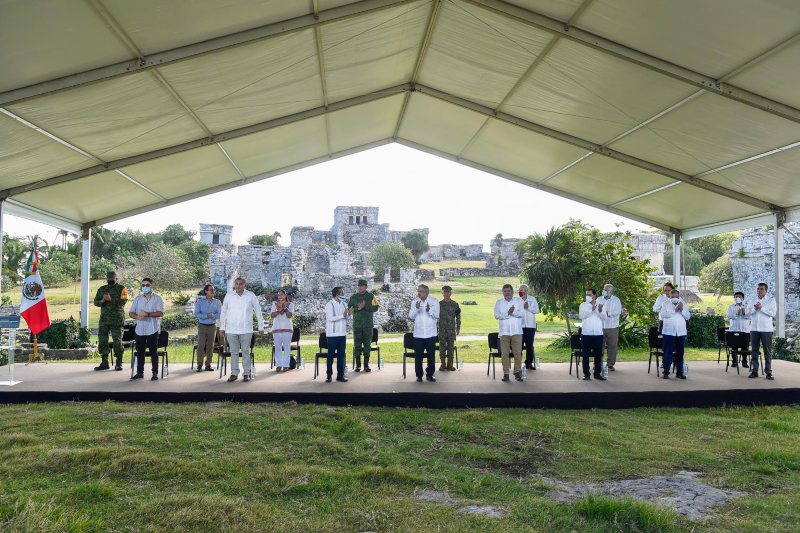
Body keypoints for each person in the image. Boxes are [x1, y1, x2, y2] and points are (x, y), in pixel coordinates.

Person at [219, 277, 265, 383]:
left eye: (241, 284)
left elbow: (258, 310)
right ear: (234, 285)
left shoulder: (250, 295)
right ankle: (234, 373)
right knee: (234, 352)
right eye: (237, 284)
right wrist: (222, 327)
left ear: (244, 285)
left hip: (246, 329)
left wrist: (261, 327)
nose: (239, 286)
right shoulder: (229, 295)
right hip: (231, 329)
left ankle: (246, 374)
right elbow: (223, 312)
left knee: (245, 352)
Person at [128, 278, 164, 381]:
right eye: (143, 285)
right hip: (139, 329)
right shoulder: (138, 299)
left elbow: (161, 313)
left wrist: (147, 314)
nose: (145, 287)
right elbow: (131, 313)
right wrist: (137, 317)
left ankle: (155, 373)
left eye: (147, 285)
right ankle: (139, 373)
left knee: (153, 352)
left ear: (151, 286)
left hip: (152, 329)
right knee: (140, 352)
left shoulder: (157, 298)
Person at [93, 271, 128, 371]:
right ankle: (104, 362)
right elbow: (96, 302)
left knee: (117, 340)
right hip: (104, 319)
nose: (110, 280)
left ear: (116, 279)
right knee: (102, 339)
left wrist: (110, 299)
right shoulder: (102, 289)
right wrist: (102, 301)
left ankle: (119, 362)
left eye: (112, 278)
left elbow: (123, 302)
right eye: (108, 279)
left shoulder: (122, 288)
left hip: (117, 319)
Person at [409, 284, 439, 382]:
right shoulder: (414, 302)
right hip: (418, 334)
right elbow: (411, 316)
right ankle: (419, 375)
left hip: (431, 334)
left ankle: (430, 375)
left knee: (431, 356)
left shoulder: (434, 301)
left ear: (426, 292)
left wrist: (429, 310)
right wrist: (416, 309)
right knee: (418, 357)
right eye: (418, 291)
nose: (419, 293)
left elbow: (437, 315)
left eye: (420, 291)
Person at [494, 284, 524, 382]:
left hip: (517, 331)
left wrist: (513, 313)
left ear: (512, 291)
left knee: (517, 353)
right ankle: (506, 374)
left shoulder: (518, 301)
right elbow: (497, 315)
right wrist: (507, 313)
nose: (507, 293)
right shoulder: (499, 303)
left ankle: (517, 372)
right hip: (504, 332)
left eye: (509, 291)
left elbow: (521, 314)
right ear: (503, 292)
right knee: (504, 354)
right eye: (505, 291)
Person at [347, 279, 378, 372]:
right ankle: (358, 365)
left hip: (368, 325)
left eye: (362, 285)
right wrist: (358, 308)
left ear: (366, 287)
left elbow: (376, 307)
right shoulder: (353, 297)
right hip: (357, 325)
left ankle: (366, 365)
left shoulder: (371, 296)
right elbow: (349, 310)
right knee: (357, 345)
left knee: (367, 345)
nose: (360, 287)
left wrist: (366, 307)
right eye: (359, 286)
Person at [747, 282, 776, 380]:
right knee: (754, 350)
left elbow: (773, 313)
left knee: (767, 351)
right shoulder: (752, 300)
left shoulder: (771, 300)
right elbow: (747, 312)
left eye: (761, 289)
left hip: (766, 329)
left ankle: (768, 372)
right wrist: (755, 309)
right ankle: (754, 371)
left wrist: (761, 308)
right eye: (758, 289)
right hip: (754, 329)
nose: (759, 291)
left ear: (766, 290)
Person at [659, 288, 690, 379]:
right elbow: (663, 315)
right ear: (670, 295)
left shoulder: (683, 303)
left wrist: (682, 310)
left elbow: (687, 316)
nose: (674, 297)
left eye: (676, 296)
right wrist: (674, 310)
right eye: (673, 295)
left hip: (681, 332)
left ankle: (679, 373)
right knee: (667, 352)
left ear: (679, 296)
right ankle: (666, 372)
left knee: (680, 353)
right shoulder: (665, 304)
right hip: (669, 332)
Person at [579, 288, 606, 381]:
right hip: (586, 333)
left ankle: (597, 374)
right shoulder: (583, 305)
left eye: (589, 295)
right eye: (586, 294)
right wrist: (591, 310)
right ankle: (586, 374)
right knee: (585, 355)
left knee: (598, 355)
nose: (587, 296)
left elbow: (604, 318)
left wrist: (600, 310)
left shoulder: (601, 304)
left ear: (594, 295)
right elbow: (581, 316)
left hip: (598, 334)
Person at [194, 284, 221, 372]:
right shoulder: (200, 302)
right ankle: (199, 365)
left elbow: (220, 314)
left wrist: (212, 315)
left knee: (210, 346)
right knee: (201, 346)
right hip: (202, 326)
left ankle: (208, 365)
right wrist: (206, 316)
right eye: (211, 290)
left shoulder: (217, 302)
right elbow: (196, 314)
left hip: (212, 327)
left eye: (213, 290)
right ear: (206, 291)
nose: (213, 291)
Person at [324, 286, 349, 382]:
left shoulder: (344, 304)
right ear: (337, 294)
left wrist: (349, 313)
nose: (343, 295)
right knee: (330, 355)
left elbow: (346, 318)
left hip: (342, 334)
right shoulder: (329, 304)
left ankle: (340, 375)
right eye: (342, 293)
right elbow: (330, 318)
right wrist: (342, 316)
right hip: (332, 335)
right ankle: (329, 375)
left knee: (341, 355)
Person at [599, 283, 623, 371]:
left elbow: (617, 312)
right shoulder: (599, 299)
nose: (604, 291)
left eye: (606, 290)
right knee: (599, 346)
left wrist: (606, 312)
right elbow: (596, 312)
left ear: (611, 292)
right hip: (600, 326)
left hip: (612, 327)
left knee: (612, 346)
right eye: (604, 289)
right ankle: (598, 363)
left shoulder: (616, 300)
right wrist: (600, 310)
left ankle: (610, 364)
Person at [437, 286, 461, 371]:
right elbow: (436, 317)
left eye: (448, 292)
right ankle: (443, 364)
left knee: (450, 348)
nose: (446, 294)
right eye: (445, 292)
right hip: (442, 330)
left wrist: (458, 327)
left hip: (451, 330)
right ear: (442, 293)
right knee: (442, 348)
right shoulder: (438, 304)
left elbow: (458, 316)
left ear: (451, 293)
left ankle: (450, 364)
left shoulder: (455, 304)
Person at [270, 289, 294, 372]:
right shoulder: (274, 304)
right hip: (277, 328)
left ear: (285, 295)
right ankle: (279, 365)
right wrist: (278, 310)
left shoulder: (290, 304)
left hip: (287, 328)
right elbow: (272, 315)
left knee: (287, 347)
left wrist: (285, 308)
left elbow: (289, 316)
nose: (280, 296)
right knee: (277, 347)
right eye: (278, 295)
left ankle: (286, 365)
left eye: (281, 295)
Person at [726, 291, 750, 368]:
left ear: (742, 298)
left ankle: (744, 362)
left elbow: (749, 316)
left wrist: (743, 313)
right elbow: (728, 316)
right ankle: (734, 362)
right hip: (734, 329)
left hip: (744, 330)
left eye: (739, 297)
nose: (737, 298)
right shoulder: (731, 306)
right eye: (736, 297)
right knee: (734, 347)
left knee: (745, 347)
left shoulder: (747, 307)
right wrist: (736, 313)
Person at [518, 284, 539, 370]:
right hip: (520, 326)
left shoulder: (532, 299)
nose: (522, 291)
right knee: (519, 346)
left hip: (530, 326)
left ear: (527, 291)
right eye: (520, 290)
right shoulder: (516, 300)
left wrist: (528, 307)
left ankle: (529, 363)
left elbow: (537, 310)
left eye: (523, 290)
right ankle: (518, 364)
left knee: (530, 346)